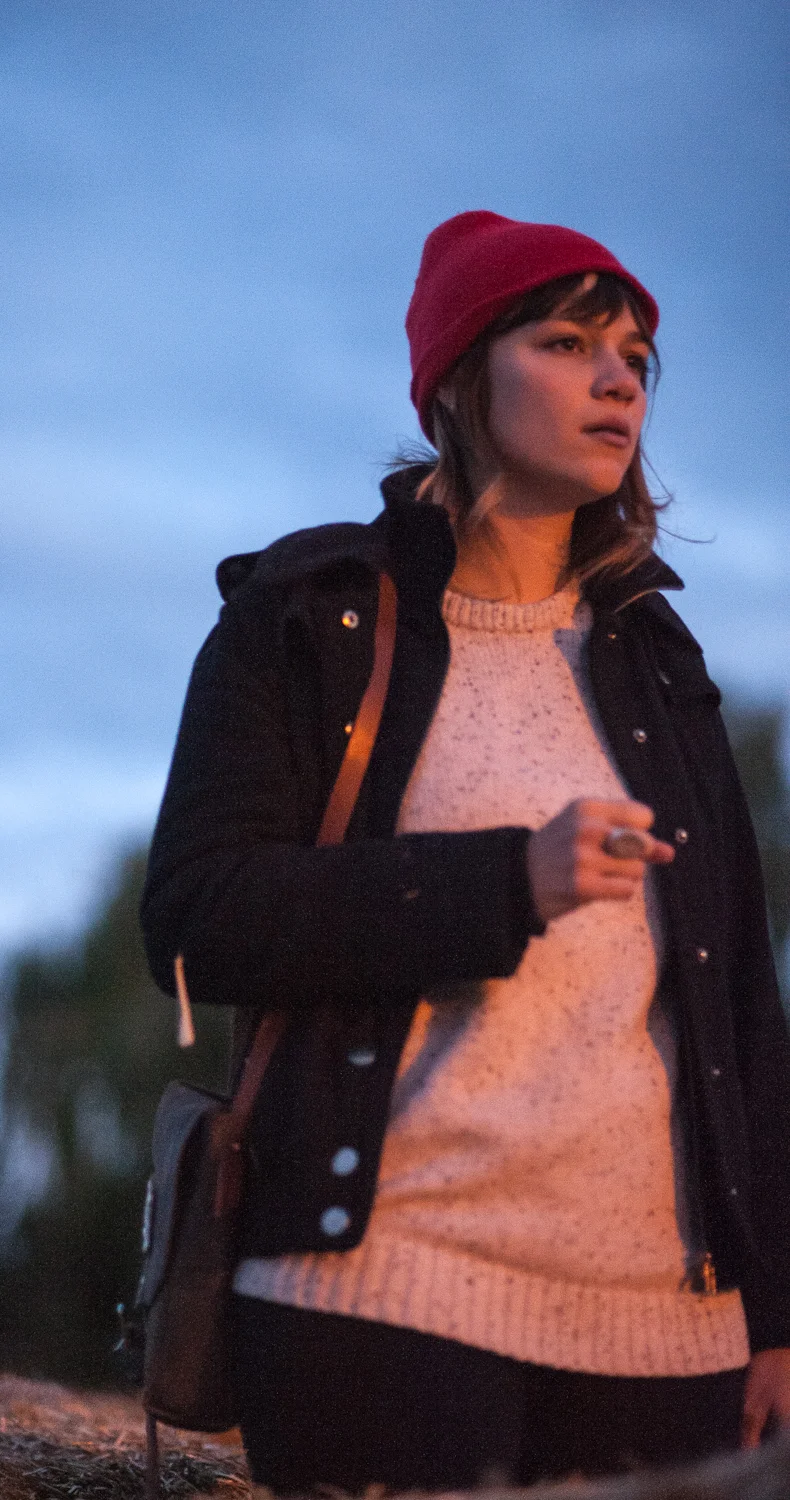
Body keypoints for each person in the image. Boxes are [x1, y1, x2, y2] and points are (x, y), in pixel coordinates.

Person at [141, 210, 790, 1492]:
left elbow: (737, 1007)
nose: (619, 382)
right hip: (379, 1302)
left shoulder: (660, 660)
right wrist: (502, 882)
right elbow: (196, 920)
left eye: (635, 358)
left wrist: (773, 1308)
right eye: (566, 344)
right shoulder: (308, 615)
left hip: (671, 1334)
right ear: (454, 379)